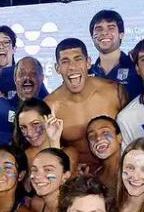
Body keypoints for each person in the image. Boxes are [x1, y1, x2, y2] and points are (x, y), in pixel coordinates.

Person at [45, 38, 124, 169]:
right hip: (77, 180)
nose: (72, 67)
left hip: (117, 172)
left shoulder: (114, 92)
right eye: (65, 61)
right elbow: (48, 153)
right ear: (57, 68)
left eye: (78, 59)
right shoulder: (51, 106)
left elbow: (131, 133)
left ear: (88, 62)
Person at [89, 9, 143, 102]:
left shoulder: (138, 69)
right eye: (99, 28)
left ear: (121, 34)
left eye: (111, 28)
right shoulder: (86, 75)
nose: (104, 33)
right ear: (92, 36)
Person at [13, 98, 72, 173]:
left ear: (49, 119)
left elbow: (55, 180)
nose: (29, 133)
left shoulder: (69, 153)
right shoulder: (20, 157)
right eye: (23, 127)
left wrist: (54, 142)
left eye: (35, 124)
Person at [27, 148, 71, 212]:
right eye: (34, 170)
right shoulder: (36, 204)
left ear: (65, 176)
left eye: (48, 170)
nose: (38, 176)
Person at [85, 116, 122, 191]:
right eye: (91, 136)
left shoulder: (134, 169)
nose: (98, 138)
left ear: (119, 138)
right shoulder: (93, 178)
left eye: (105, 132)